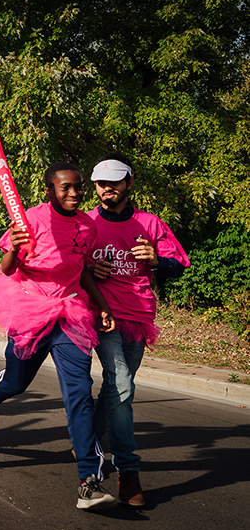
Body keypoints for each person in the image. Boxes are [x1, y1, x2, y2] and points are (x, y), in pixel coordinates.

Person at [0, 162, 119, 510]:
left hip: (71, 313)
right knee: (17, 381)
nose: (74, 193)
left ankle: (89, 479)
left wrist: (103, 305)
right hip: (30, 310)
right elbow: (6, 269)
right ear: (49, 190)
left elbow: (81, 271)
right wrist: (16, 248)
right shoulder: (31, 219)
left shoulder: (87, 225)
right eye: (65, 187)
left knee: (80, 392)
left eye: (78, 187)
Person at [87, 154, 189, 507]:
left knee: (116, 388)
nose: (107, 189)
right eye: (101, 183)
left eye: (115, 182)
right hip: (102, 315)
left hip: (140, 317)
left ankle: (88, 439)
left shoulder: (151, 224)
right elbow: (65, 264)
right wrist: (88, 270)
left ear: (129, 184)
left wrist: (158, 261)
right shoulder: (85, 223)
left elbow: (179, 266)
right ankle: (127, 473)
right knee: (123, 386)